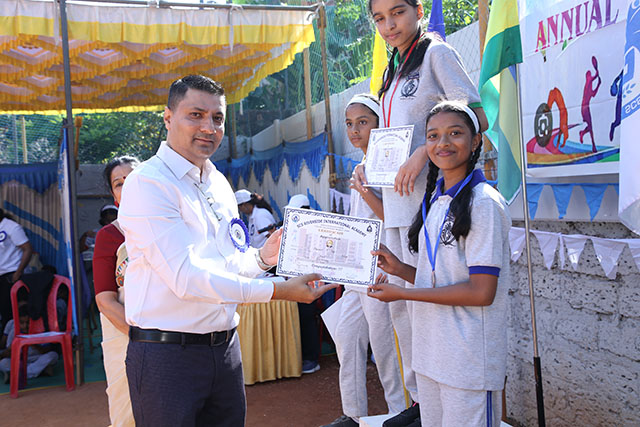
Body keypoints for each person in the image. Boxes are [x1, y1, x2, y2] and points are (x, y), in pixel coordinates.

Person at [117, 75, 335, 426]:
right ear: (168, 118)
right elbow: (187, 278)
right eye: (196, 115)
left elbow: (229, 262)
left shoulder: (217, 182)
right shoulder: (148, 183)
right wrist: (278, 290)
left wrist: (263, 258)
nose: (209, 127)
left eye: (217, 118)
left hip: (224, 350)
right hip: (168, 356)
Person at [353, 2, 490, 425]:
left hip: (430, 206)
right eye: (379, 18)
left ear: (417, 9)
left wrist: (422, 154)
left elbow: (477, 117)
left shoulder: (436, 53)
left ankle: (439, 406)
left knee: (427, 307)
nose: (388, 25)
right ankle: (420, 405)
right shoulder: (392, 70)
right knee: (402, 312)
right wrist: (371, 165)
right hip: (396, 207)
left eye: (397, 13)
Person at [368, 101, 511, 427]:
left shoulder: (483, 204)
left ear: (475, 141)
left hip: (468, 362)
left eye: (455, 133)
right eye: (433, 136)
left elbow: (481, 292)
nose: (442, 143)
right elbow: (443, 278)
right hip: (431, 354)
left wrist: (403, 294)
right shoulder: (436, 200)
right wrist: (401, 269)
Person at [322, 94, 405, 427]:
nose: (354, 130)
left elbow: (392, 218)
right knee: (347, 341)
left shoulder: (388, 162)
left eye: (363, 122)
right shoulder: (361, 165)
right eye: (349, 123)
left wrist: (364, 189)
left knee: (386, 350)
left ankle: (400, 411)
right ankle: (353, 415)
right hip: (357, 273)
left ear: (379, 124)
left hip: (381, 272)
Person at [93, 155, 139, 427]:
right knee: (127, 412)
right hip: (126, 335)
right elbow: (105, 299)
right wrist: (142, 337)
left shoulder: (171, 225)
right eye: (119, 183)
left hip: (173, 334)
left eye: (132, 178)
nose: (127, 186)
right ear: (113, 194)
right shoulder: (109, 236)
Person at [0, 301, 58, 384]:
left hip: (35, 358)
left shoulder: (39, 329)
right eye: (22, 323)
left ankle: (19, 375)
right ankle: (39, 370)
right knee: (3, 363)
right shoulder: (13, 332)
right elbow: (7, 352)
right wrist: (11, 349)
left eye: (28, 323)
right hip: (20, 360)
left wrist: (35, 346)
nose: (25, 326)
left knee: (53, 355)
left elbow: (47, 350)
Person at [0, 209, 33, 331]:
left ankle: (15, 340)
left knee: (12, 313)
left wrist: (18, 272)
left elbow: (27, 249)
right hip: (2, 275)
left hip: (12, 275)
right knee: (4, 313)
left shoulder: (12, 227)